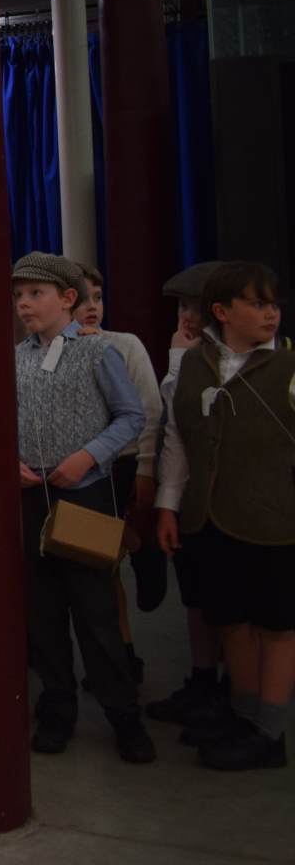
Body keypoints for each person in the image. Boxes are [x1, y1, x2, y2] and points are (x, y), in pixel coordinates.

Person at [10, 252, 154, 763]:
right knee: (43, 610)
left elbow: (130, 415)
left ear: (68, 298)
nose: (24, 304)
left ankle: (123, 713)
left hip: (85, 493)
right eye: (19, 296)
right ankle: (57, 705)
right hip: (32, 496)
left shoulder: (97, 352)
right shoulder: (17, 357)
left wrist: (88, 456)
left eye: (36, 294)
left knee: (96, 611)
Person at [155, 261, 294, 770]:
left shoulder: (287, 366)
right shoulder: (194, 364)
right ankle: (242, 713)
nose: (270, 313)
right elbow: (178, 440)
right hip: (212, 517)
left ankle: (270, 730)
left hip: (275, 522)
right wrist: (168, 505)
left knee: (276, 625)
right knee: (231, 621)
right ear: (222, 311)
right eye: (256, 304)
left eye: (273, 304)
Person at [73, 261, 166, 682]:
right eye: (82, 299)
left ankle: (122, 658)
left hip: (123, 465)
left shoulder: (124, 345)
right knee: (94, 571)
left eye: (98, 297)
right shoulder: (52, 350)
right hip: (78, 470)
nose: (92, 306)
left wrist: (146, 468)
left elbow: (148, 408)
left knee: (105, 568)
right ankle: (110, 659)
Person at [148, 261, 230, 729]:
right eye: (182, 307)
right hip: (190, 499)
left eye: (196, 307)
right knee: (195, 595)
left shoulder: (246, 361)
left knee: (231, 604)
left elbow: (199, 420)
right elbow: (173, 432)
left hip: (234, 503)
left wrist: (181, 363)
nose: (187, 317)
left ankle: (232, 695)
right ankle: (202, 680)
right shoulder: (185, 356)